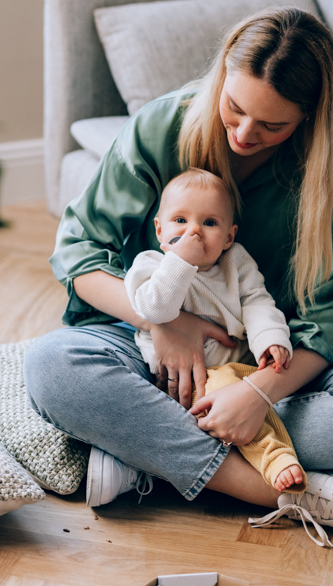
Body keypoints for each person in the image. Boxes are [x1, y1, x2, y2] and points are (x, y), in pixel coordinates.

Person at [24, 6, 333, 544]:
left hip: (266, 361)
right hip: (147, 347)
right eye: (234, 108)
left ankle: (144, 455)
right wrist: (164, 324)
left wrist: (257, 394)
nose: (243, 133)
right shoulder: (162, 126)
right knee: (53, 365)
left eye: (272, 125)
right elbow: (79, 252)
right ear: (222, 76)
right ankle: (280, 490)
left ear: (310, 116)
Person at [126, 167, 306, 495]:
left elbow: (257, 302)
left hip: (244, 360)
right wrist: (181, 261)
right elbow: (155, 310)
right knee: (225, 396)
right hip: (199, 379)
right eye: (180, 220)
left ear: (229, 237)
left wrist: (270, 339)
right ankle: (275, 458)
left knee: (291, 350)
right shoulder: (151, 265)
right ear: (159, 229)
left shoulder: (236, 263)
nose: (194, 231)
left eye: (209, 223)